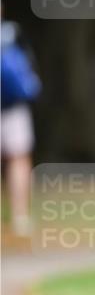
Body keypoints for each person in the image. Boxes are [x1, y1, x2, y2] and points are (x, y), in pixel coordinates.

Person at [1, 16, 40, 237]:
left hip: (13, 107)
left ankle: (19, 216)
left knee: (19, 158)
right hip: (14, 107)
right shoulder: (11, 32)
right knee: (19, 158)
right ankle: (20, 216)